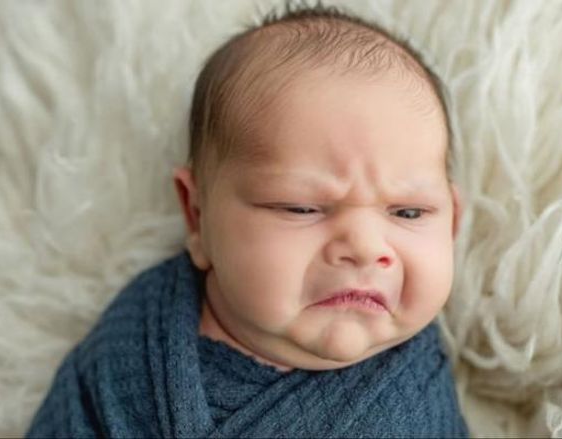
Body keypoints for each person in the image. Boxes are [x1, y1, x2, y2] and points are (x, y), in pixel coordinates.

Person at [27, 2, 468, 437]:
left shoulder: (416, 399)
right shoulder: (138, 340)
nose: (366, 247)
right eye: (301, 208)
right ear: (197, 217)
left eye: (409, 212)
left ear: (451, 225)